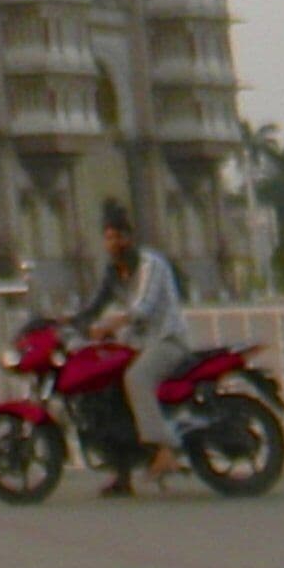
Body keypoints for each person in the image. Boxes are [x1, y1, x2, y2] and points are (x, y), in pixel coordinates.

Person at [72, 201, 192, 495]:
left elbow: (144, 308)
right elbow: (95, 305)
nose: (114, 243)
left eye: (119, 236)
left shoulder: (151, 264)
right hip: (137, 344)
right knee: (107, 391)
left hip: (167, 340)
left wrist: (110, 324)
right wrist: (66, 322)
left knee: (136, 379)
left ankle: (165, 449)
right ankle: (122, 472)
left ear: (130, 238)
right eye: (109, 237)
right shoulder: (114, 271)